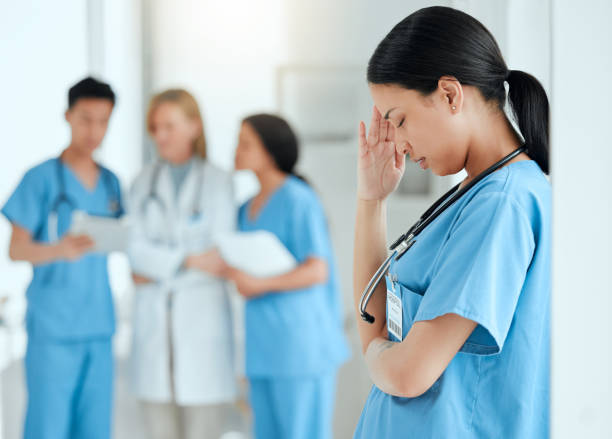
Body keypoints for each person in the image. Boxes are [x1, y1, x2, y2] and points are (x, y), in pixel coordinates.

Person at [352, 6, 551, 439]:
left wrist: (375, 356)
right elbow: (377, 326)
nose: (399, 144)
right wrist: (372, 199)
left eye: (399, 120)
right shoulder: (476, 194)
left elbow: (408, 374)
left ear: (449, 94)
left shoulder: (502, 203)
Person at [2, 77, 123, 439]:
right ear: (68, 116)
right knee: (48, 428)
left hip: (99, 325)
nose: (94, 131)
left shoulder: (112, 184)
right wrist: (58, 250)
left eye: (104, 121)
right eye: (86, 119)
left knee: (95, 430)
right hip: (53, 328)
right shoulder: (39, 179)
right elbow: (15, 250)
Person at [216, 114, 350, 439]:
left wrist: (260, 284)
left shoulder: (298, 199)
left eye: (245, 143)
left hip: (300, 347)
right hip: (263, 349)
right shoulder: (244, 209)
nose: (236, 150)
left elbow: (318, 270)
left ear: (269, 151)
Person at [127, 89, 237, 439]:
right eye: (155, 127)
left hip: (202, 334)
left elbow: (220, 257)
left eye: (169, 126)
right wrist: (190, 260)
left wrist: (158, 269)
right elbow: (134, 253)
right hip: (154, 337)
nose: (160, 135)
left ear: (194, 126)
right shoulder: (142, 183)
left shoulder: (219, 182)